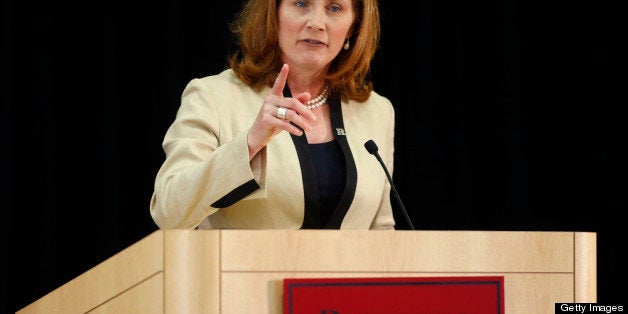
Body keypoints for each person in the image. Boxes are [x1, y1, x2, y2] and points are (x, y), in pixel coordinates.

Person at [150, 0, 396, 230]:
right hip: (243, 275)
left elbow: (381, 230)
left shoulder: (377, 111)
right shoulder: (214, 97)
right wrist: (249, 143)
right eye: (301, 3)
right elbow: (169, 211)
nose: (316, 23)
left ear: (353, 26)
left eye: (334, 8)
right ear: (274, 14)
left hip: (347, 276)